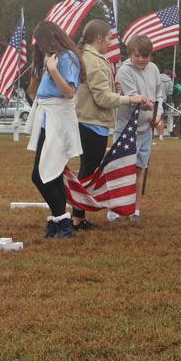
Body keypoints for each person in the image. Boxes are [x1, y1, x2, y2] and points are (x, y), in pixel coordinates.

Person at [72, 20, 149, 231]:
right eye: (108, 39)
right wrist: (129, 99)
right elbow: (102, 99)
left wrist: (111, 87)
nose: (109, 42)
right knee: (88, 171)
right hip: (91, 122)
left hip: (90, 121)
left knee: (88, 169)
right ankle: (77, 218)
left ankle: (78, 216)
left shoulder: (91, 58)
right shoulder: (94, 61)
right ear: (99, 39)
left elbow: (98, 90)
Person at [27, 20, 85, 238]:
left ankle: (62, 221)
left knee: (43, 175)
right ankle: (58, 220)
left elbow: (70, 92)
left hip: (57, 120)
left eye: (43, 43)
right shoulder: (53, 58)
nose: (41, 48)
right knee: (50, 173)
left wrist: (53, 70)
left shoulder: (67, 57)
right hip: (47, 119)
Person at [110, 34, 165, 222]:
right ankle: (115, 210)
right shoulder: (124, 71)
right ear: (130, 54)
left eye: (146, 55)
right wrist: (146, 104)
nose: (141, 59)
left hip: (146, 131)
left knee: (139, 171)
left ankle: (135, 210)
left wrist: (157, 115)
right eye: (137, 55)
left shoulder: (154, 69)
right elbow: (133, 97)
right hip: (126, 130)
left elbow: (159, 95)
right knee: (120, 171)